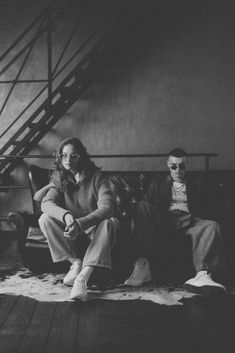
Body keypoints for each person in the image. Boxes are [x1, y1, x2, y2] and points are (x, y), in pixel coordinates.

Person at [124, 148, 227, 296]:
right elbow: (145, 209)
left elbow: (210, 207)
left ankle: (203, 275)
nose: (178, 170)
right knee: (142, 205)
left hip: (190, 221)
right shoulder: (158, 183)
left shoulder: (198, 184)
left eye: (182, 166)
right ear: (168, 165)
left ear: (187, 165)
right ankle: (143, 263)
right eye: (174, 166)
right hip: (166, 221)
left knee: (212, 226)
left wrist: (199, 216)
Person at [38, 137, 119, 301]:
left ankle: (83, 278)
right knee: (44, 218)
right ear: (60, 157)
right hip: (72, 230)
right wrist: (67, 216)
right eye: (64, 155)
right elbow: (46, 203)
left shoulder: (98, 177)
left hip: (94, 229)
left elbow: (107, 208)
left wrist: (80, 224)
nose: (68, 160)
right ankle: (75, 263)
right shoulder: (61, 179)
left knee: (109, 222)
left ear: (82, 156)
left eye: (73, 156)